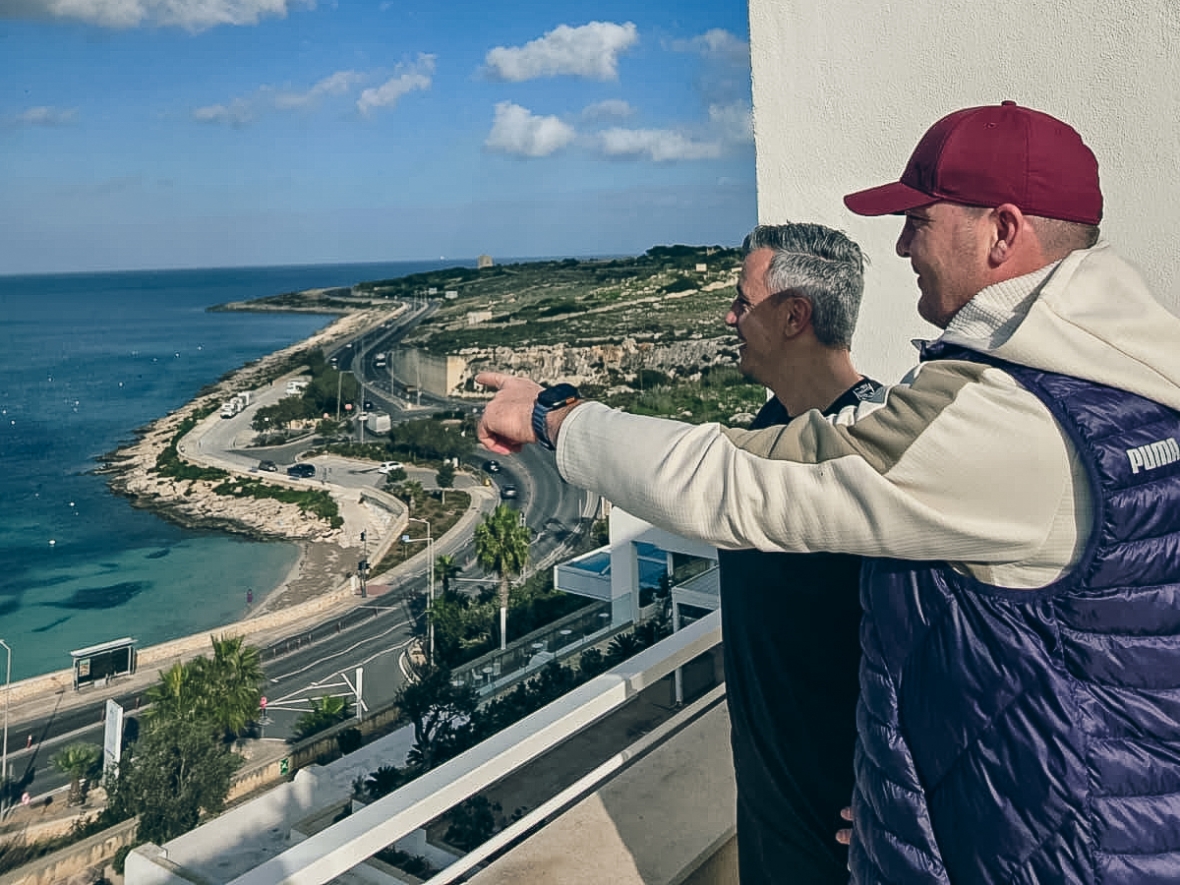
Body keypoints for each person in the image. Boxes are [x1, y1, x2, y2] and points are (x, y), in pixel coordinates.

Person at [477, 101, 1180, 884]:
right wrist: (897, 789)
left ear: (1003, 231)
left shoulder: (1015, 415)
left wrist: (553, 416)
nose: (903, 242)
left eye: (920, 217)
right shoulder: (1129, 392)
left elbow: (730, 480)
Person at [720, 223, 880, 884]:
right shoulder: (760, 435)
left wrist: (904, 785)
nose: (728, 316)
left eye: (741, 300)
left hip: (850, 841)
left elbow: (954, 640)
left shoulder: (875, 449)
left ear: (794, 316)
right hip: (771, 824)